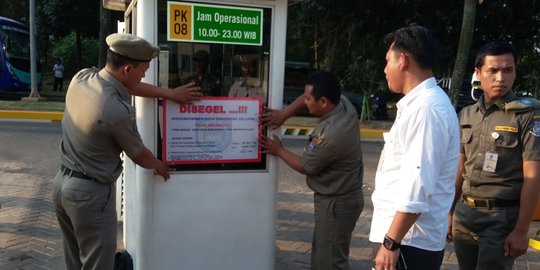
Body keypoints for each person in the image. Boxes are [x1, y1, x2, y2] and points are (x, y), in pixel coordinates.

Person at [52, 33, 201, 270]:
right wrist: (159, 165)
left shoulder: (82, 78)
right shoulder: (116, 110)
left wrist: (170, 94)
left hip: (62, 186)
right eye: (143, 70)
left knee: (75, 260)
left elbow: (127, 85)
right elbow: (139, 154)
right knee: (98, 264)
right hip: (89, 196)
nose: (144, 75)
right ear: (128, 69)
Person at [368, 25, 460, 270]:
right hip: (406, 239)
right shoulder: (419, 105)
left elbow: (417, 187)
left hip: (408, 242)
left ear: (404, 61)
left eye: (388, 60)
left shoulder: (426, 109)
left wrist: (390, 243)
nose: (385, 69)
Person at [448, 41, 540, 270]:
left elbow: (533, 176)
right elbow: (460, 167)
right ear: (478, 73)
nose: (501, 78)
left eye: (508, 70)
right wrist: (449, 212)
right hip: (465, 214)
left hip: (501, 220)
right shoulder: (467, 114)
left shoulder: (528, 115)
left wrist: (521, 230)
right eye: (493, 70)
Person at [262, 71, 364, 270]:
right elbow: (307, 96)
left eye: (309, 99)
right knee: (322, 257)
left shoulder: (330, 135)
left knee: (330, 263)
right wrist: (284, 114)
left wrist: (279, 150)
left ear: (324, 102)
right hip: (341, 199)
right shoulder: (343, 104)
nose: (305, 102)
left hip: (337, 203)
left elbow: (305, 166)